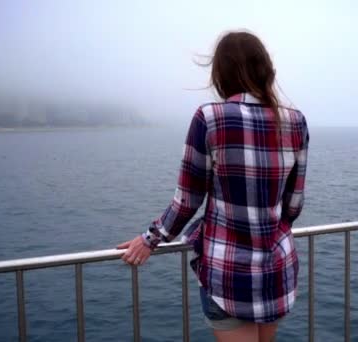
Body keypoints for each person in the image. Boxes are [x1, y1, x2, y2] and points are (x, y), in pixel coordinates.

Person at [117, 30, 309, 342]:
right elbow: (293, 206)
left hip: (227, 273)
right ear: (266, 70)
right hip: (276, 272)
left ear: (221, 74)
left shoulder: (210, 118)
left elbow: (188, 201)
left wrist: (150, 239)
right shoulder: (295, 122)